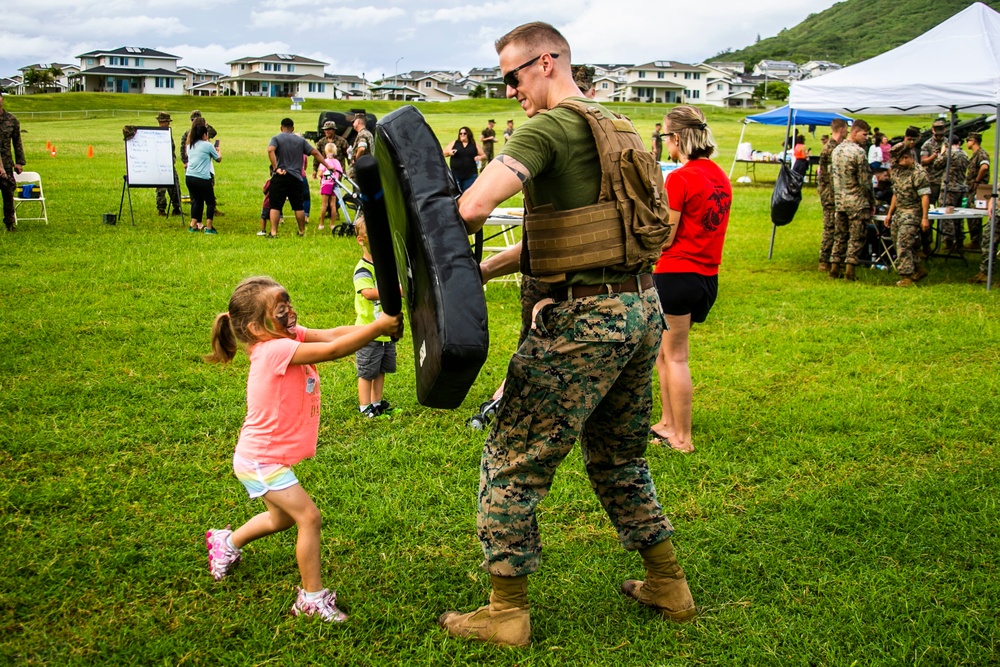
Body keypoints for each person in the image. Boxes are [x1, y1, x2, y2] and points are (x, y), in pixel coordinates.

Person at [438, 21, 694, 648]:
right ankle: (669, 584)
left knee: (512, 458)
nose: (510, 92)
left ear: (546, 62)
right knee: (619, 457)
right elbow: (588, 232)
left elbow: (472, 207)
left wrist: (446, 232)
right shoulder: (620, 126)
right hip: (639, 313)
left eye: (513, 77)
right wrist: (491, 265)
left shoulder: (549, 127)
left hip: (583, 324)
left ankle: (506, 612)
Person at [203, 276, 402, 622]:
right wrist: (380, 326)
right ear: (256, 326)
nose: (291, 312)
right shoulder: (274, 349)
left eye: (288, 303)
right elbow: (332, 351)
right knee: (308, 518)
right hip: (261, 459)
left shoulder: (283, 335)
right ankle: (311, 599)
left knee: (279, 518)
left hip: (261, 456)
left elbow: (331, 335)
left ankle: (226, 543)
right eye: (281, 310)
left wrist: (376, 328)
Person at [649, 106, 731, 454]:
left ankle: (682, 437)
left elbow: (666, 236)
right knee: (664, 355)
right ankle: (667, 423)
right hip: (705, 275)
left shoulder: (680, 178)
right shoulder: (719, 175)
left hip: (675, 274)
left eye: (666, 136)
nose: (665, 143)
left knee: (676, 357)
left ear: (678, 138)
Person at [352, 216, 399, 418]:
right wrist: (396, 291)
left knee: (381, 370)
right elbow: (367, 293)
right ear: (361, 240)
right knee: (367, 372)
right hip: (368, 331)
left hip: (386, 331)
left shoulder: (385, 266)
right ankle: (365, 407)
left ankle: (377, 402)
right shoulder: (363, 269)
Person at [829, 119, 874, 281]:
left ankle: (834, 268)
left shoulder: (837, 150)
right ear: (855, 132)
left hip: (840, 201)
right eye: (865, 134)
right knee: (856, 237)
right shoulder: (858, 152)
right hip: (857, 202)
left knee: (840, 235)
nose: (867, 137)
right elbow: (865, 182)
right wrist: (872, 202)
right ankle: (850, 271)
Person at [266, 118, 325, 238]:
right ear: (293, 128)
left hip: (280, 176)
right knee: (298, 206)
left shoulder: (276, 138)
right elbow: (315, 153)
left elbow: (270, 150)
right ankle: (301, 231)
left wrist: (275, 167)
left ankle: (273, 232)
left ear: (281, 128)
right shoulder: (300, 140)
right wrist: (328, 165)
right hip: (296, 177)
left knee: (275, 205)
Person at [884, 142, 931, 287]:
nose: (896, 164)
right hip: (899, 213)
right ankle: (918, 268)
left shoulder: (919, 173)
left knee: (903, 243)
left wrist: (924, 218)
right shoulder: (898, 171)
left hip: (912, 213)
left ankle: (906, 277)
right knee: (898, 244)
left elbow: (925, 196)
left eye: (898, 160)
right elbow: (896, 194)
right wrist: (890, 213)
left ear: (906, 158)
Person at [817, 119, 848, 272]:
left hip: (833, 192)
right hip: (830, 193)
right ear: (841, 129)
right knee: (830, 226)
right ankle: (824, 260)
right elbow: (830, 174)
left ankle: (833, 258)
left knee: (836, 227)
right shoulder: (831, 148)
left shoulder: (835, 147)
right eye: (846, 129)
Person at [185, 123, 221, 234]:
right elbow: (218, 159)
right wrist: (218, 150)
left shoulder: (189, 145)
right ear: (205, 135)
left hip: (189, 177)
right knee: (210, 202)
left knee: (197, 201)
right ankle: (209, 228)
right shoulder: (207, 145)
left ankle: (193, 225)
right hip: (202, 178)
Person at [937, 134, 970, 251]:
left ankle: (949, 242)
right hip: (961, 188)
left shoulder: (949, 153)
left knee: (947, 216)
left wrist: (942, 152)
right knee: (959, 216)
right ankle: (960, 241)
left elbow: (937, 165)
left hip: (949, 188)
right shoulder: (965, 154)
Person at [0, 90, 25, 233]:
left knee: (8, 194)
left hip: (7, 164)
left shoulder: (11, 120)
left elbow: (17, 143)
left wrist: (19, 162)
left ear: (2, 99)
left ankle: (10, 224)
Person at [964, 132, 990, 250]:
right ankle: (975, 240)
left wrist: (977, 181)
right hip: (972, 188)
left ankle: (976, 242)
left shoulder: (981, 154)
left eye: (968, 140)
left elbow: (984, 167)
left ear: (973, 141)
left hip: (977, 189)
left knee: (974, 215)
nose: (967, 143)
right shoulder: (976, 154)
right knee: (971, 214)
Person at [154, 112, 182, 217]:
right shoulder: (155, 135)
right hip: (159, 165)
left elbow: (172, 149)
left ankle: (176, 208)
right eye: (165, 122)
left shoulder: (168, 133)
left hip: (170, 164)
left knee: (175, 186)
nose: (167, 124)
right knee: (161, 189)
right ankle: (161, 209)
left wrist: (172, 160)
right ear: (160, 122)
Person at [443, 127, 485, 193]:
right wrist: (449, 152)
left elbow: (484, 155)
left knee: (468, 194)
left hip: (470, 175)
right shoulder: (455, 143)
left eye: (464, 133)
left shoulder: (474, 144)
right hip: (455, 174)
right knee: (456, 194)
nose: (462, 135)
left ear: (468, 134)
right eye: (460, 133)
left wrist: (479, 157)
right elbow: (443, 153)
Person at [968, 193, 998, 285]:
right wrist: (991, 202)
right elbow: (997, 190)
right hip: (997, 213)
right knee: (987, 241)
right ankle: (985, 273)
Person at [317, 143, 343, 231]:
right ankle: (332, 224)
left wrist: (322, 175)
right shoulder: (337, 162)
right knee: (333, 205)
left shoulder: (325, 161)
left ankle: (321, 224)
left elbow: (320, 173)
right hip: (334, 184)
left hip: (326, 184)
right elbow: (339, 174)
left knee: (324, 205)